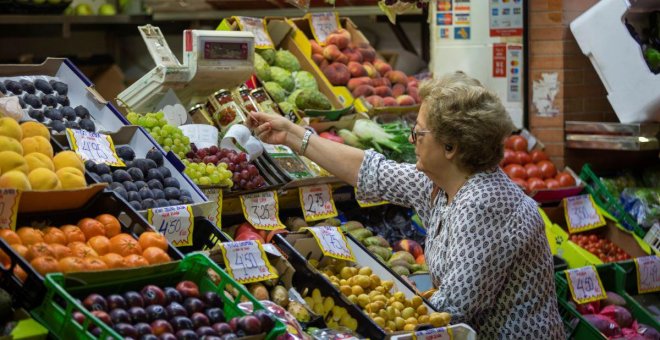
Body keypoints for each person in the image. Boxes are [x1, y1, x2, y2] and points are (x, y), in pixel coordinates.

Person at [247, 71, 564, 339]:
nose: (412, 140)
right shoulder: (441, 183)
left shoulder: (483, 206)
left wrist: (392, 309)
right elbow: (370, 171)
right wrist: (291, 134)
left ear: (451, 147)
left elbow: (451, 310)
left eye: (419, 132)